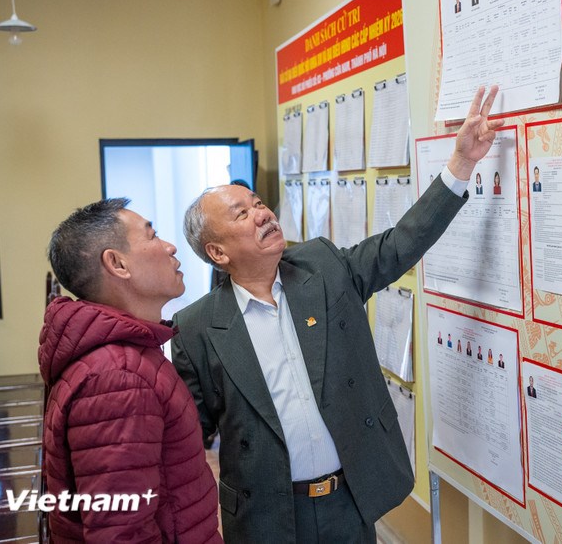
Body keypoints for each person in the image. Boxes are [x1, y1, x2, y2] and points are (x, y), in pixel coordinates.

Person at [172, 86, 504, 543]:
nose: (262, 214)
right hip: (267, 520)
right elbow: (186, 442)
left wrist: (461, 164)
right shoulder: (195, 329)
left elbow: (399, 245)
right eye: (241, 213)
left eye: (259, 203)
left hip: (349, 504)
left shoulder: (322, 268)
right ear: (217, 252)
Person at [39, 199, 221, 543]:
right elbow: (121, 531)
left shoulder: (127, 356)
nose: (170, 247)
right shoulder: (117, 378)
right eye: (152, 236)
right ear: (117, 263)